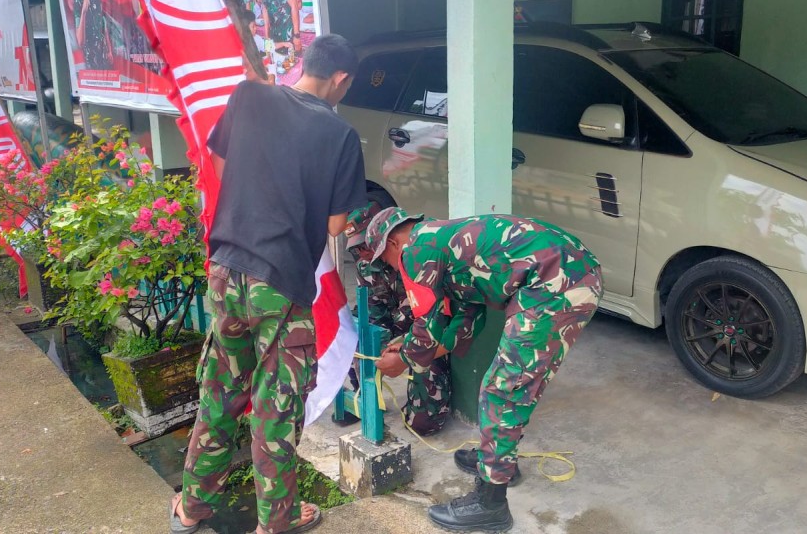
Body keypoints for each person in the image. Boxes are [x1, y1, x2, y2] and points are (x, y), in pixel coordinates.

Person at [170, 34, 365, 534]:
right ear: (340, 78)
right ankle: (276, 522)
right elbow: (337, 226)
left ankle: (190, 509)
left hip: (225, 268)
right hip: (279, 284)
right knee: (275, 409)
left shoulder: (248, 96)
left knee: (219, 393)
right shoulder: (339, 135)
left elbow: (219, 164)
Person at [367, 208, 603, 532]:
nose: (394, 270)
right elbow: (467, 318)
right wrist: (414, 348)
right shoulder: (443, 246)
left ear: (393, 243)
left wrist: (404, 358)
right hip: (564, 273)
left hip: (557, 283)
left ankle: (491, 505)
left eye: (387, 262)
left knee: (503, 390)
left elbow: (428, 325)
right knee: (508, 385)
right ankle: (500, 463)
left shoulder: (416, 249)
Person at [340, 202, 452, 435]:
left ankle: (427, 405)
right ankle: (365, 395)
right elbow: (373, 310)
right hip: (398, 326)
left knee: (422, 424)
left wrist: (404, 350)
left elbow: (436, 320)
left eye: (364, 245)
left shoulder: (420, 257)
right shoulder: (366, 266)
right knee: (352, 331)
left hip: (426, 334)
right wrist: (375, 345)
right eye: (356, 249)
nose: (362, 253)